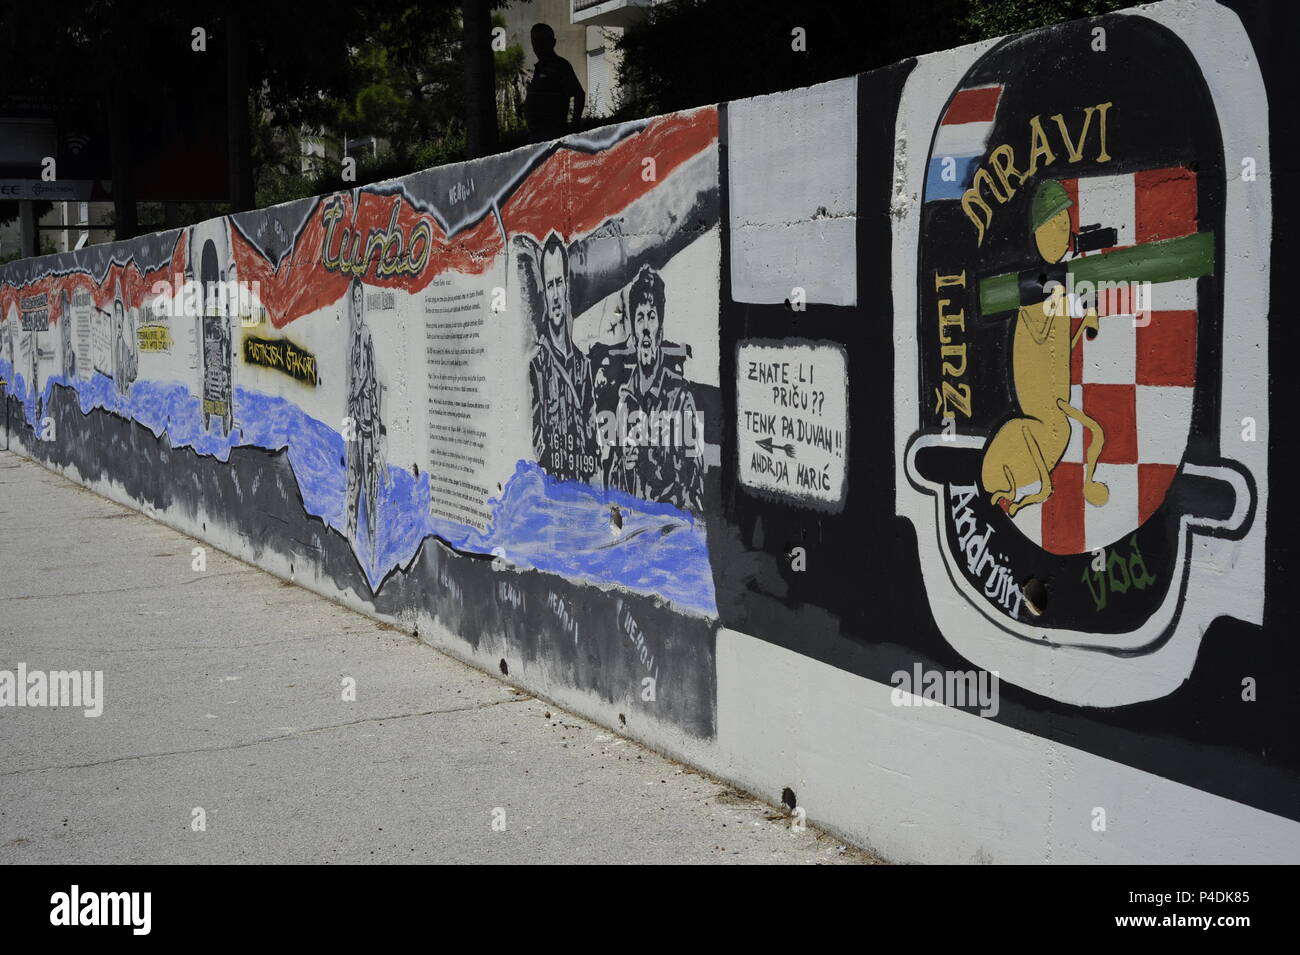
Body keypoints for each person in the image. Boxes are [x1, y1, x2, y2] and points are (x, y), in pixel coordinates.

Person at [609, 264, 703, 511]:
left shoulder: (680, 398)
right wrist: (625, 469)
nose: (646, 327)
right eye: (640, 317)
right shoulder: (624, 403)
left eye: (652, 316)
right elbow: (612, 491)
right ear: (633, 330)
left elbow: (695, 485)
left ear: (660, 328)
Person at [529, 232, 595, 481]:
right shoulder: (537, 366)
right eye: (549, 285)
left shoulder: (583, 366)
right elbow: (535, 444)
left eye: (559, 283)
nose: (555, 295)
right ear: (544, 293)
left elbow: (593, 443)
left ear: (566, 285)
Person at [344, 277, 386, 554]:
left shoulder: (367, 336)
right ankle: (351, 544)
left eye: (360, 299)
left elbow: (370, 380)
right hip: (355, 425)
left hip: (368, 426)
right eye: (354, 300)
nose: (357, 305)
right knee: (352, 484)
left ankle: (371, 551)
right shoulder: (351, 340)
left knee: (369, 492)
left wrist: (377, 427)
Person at [524, 23, 585, 141]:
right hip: (536, 136)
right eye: (534, 42)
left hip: (552, 136)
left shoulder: (560, 66)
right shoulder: (538, 68)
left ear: (553, 42)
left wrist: (575, 125)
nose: (537, 46)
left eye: (542, 42)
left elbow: (579, 94)